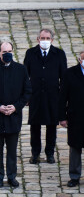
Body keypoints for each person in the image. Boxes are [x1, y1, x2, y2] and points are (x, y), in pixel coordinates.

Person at [0, 41, 31, 188]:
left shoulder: (21, 70)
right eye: (5, 52)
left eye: (10, 51)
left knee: (12, 150)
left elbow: (27, 92)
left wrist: (15, 107)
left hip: (13, 117)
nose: (7, 54)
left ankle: (11, 176)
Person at [24, 28, 67, 164]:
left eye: (48, 39)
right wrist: (26, 95)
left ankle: (50, 153)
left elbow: (64, 77)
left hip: (53, 96)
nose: (45, 41)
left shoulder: (59, 54)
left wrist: (63, 97)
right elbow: (25, 76)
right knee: (35, 126)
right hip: (35, 95)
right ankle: (35, 153)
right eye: (42, 38)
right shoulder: (31, 53)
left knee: (51, 125)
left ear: (52, 40)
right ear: (38, 39)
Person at [59, 50, 84, 187]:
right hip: (76, 117)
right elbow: (63, 97)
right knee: (75, 147)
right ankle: (74, 176)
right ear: (79, 60)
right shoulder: (70, 73)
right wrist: (62, 117)